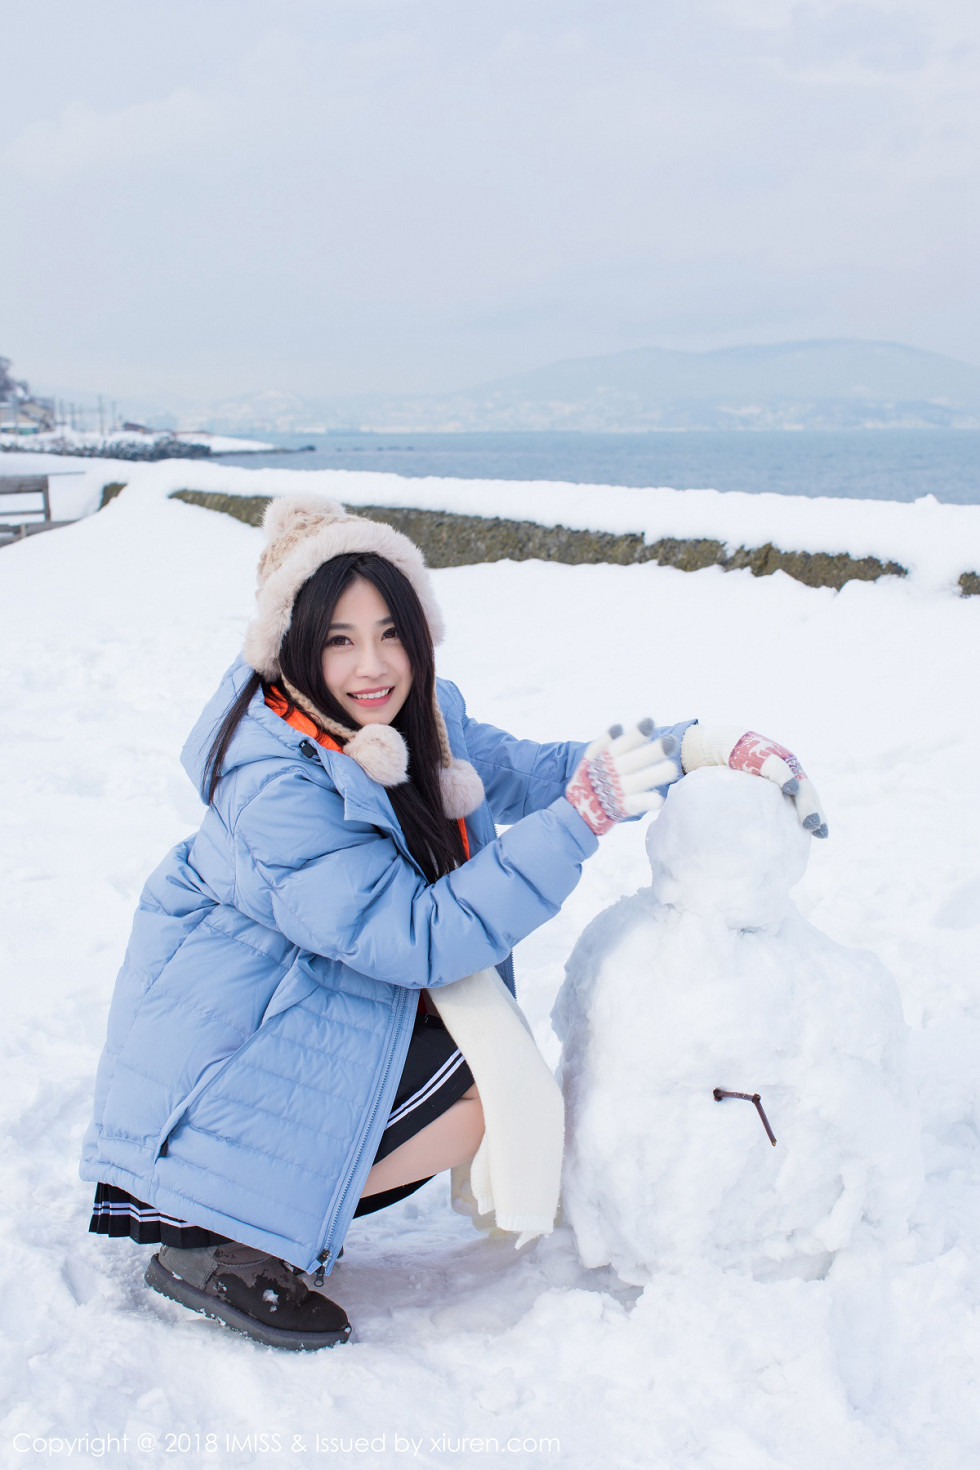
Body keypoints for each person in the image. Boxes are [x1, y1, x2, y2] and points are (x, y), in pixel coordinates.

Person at [81, 492, 827, 1351]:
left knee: (485, 1076)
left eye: (391, 632)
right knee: (487, 1092)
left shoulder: (416, 720)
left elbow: (537, 771)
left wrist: (697, 746)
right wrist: (577, 825)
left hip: (292, 1024)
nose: (374, 665)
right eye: (339, 640)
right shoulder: (275, 779)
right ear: (289, 646)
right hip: (216, 1075)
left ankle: (265, 1210)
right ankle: (217, 1240)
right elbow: (412, 937)